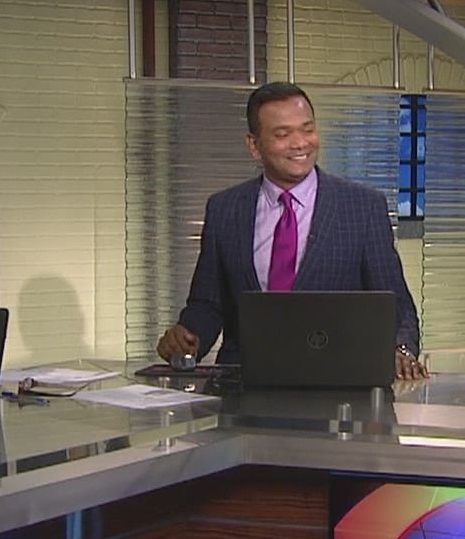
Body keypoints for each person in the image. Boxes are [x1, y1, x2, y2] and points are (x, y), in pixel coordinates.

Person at [156, 81, 428, 380]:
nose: (300, 143)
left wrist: (401, 350)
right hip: (245, 384)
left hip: (337, 382)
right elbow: (208, 304)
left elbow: (395, 303)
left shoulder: (362, 207)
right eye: (282, 134)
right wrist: (187, 338)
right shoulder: (225, 209)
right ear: (254, 145)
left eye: (307, 129)